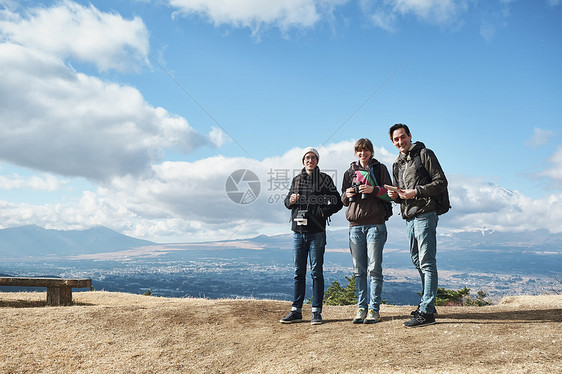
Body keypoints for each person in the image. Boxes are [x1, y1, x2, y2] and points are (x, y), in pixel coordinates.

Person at [386, 124, 447, 327]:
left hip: (425, 214)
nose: (400, 142)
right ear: (393, 142)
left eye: (403, 137)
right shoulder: (397, 164)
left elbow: (441, 182)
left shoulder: (425, 154)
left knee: (427, 261)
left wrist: (417, 191)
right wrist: (395, 195)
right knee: (416, 260)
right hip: (409, 217)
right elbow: (401, 194)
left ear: (410, 136)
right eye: (396, 139)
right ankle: (428, 303)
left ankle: (427, 311)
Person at [280, 147, 343, 325]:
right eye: (307, 157)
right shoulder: (297, 180)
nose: (310, 160)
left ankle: (316, 311)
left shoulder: (324, 179)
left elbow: (337, 201)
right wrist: (290, 201)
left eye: (313, 157)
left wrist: (324, 212)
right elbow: (286, 202)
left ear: (317, 160)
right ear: (303, 161)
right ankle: (296, 310)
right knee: (298, 272)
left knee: (316, 272)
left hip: (316, 232)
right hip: (298, 233)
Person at [341, 138, 393, 324]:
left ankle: (374, 309)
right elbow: (343, 200)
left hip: (375, 225)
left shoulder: (380, 169)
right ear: (356, 153)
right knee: (359, 270)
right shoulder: (349, 172)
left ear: (371, 151)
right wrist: (347, 195)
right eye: (359, 151)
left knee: (374, 269)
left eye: (365, 150)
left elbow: (390, 194)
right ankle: (361, 307)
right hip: (355, 226)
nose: (362, 154)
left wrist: (372, 190)